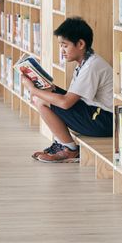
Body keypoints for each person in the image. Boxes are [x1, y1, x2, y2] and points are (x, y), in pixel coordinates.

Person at [22, 16, 113, 163]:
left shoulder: (92, 66)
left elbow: (66, 103)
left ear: (81, 44)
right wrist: (46, 87)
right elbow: (72, 97)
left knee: (40, 98)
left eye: (65, 45)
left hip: (104, 121)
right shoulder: (85, 62)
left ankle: (69, 149)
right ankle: (63, 145)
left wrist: (34, 90)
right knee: (45, 95)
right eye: (60, 46)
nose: (62, 50)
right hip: (96, 113)